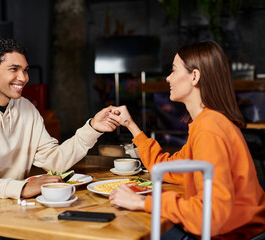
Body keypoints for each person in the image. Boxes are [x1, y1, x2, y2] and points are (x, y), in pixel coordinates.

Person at [107, 41, 265, 238]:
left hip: (232, 234)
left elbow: (212, 216)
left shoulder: (209, 129)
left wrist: (142, 203)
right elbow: (166, 167)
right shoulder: (208, 122)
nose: (167, 78)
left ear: (195, 76)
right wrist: (130, 125)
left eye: (173, 70)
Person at [0, 38, 119, 204]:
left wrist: (93, 128)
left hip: (4, 207)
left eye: (25, 70)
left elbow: (54, 161)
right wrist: (21, 188)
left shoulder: (26, 109)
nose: (23, 78)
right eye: (14, 69)